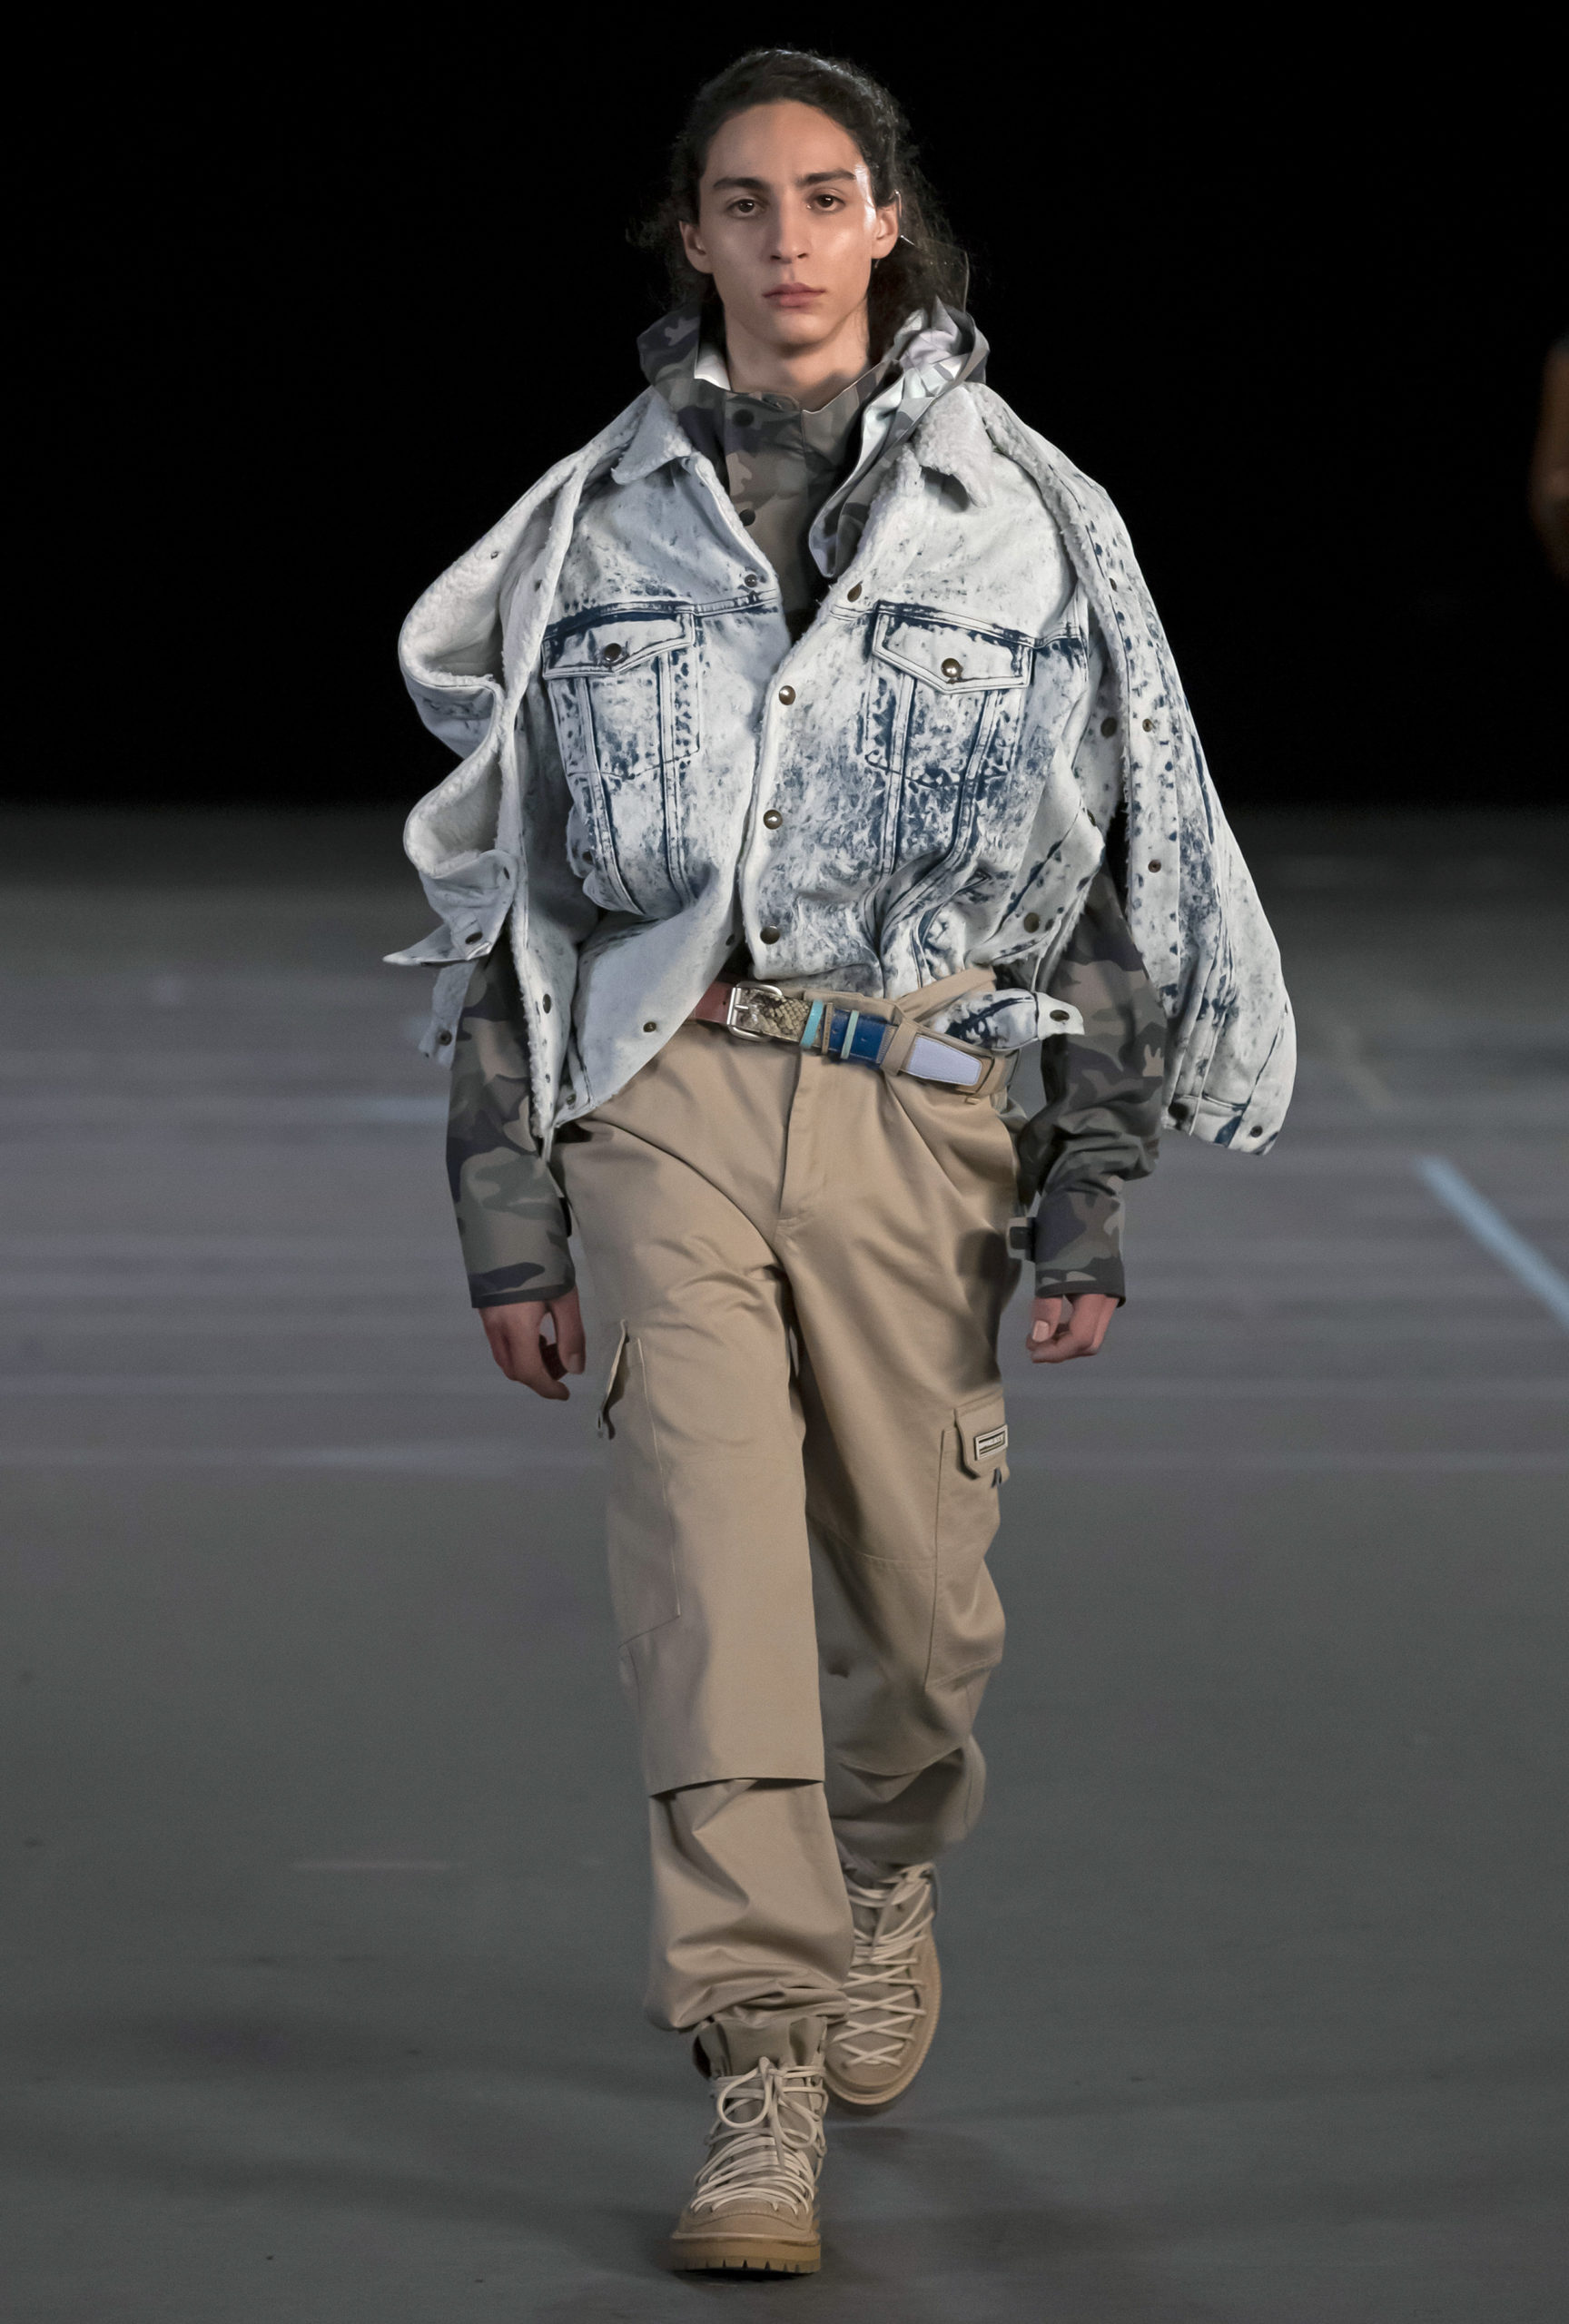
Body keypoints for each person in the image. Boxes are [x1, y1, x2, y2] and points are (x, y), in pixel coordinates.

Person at [391, 47, 1294, 2279]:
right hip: (669, 1092)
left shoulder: (1030, 523)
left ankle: (883, 1871)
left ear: (887, 221)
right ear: (690, 234)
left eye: (823, 196)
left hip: (927, 1105)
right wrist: (508, 1207)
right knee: (711, 1588)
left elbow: (1103, 861)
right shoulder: (592, 528)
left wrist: (1090, 1181)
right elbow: (517, 891)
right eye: (742, 200)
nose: (785, 238)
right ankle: (762, 2066)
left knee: (917, 1621)